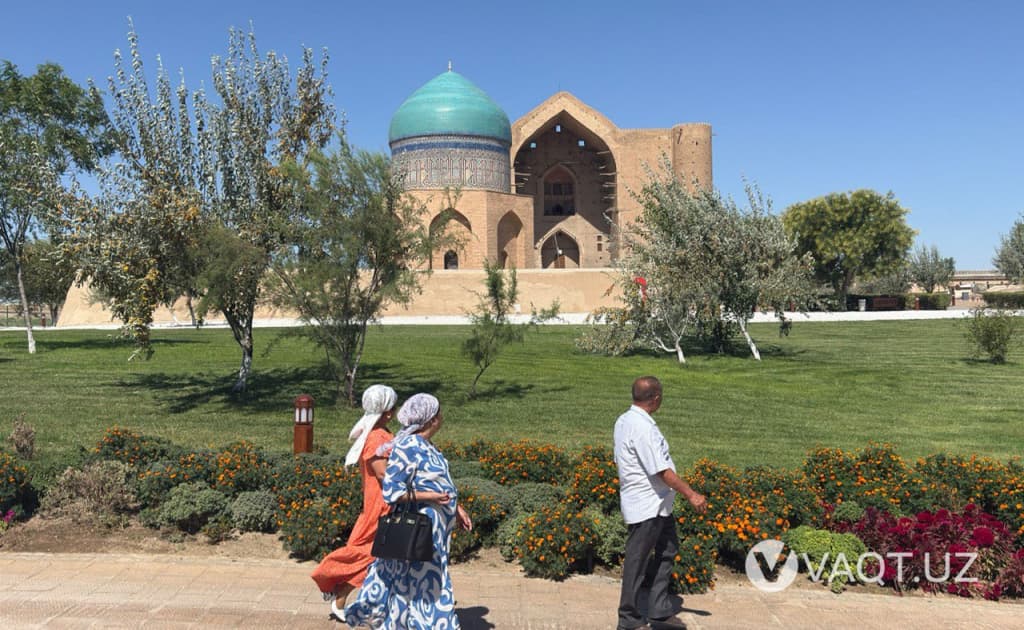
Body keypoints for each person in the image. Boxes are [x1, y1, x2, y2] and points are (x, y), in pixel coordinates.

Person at [344, 393, 472, 629]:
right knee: (428, 584)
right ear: (432, 419)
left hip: (433, 530)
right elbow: (392, 491)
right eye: (439, 412)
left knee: (419, 583)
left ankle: (408, 623)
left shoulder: (425, 444)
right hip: (418, 528)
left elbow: (437, 481)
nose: (441, 417)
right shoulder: (409, 446)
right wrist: (432, 498)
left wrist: (456, 508)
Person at [614, 376, 707, 630]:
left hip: (657, 504)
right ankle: (629, 620)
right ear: (655, 399)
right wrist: (692, 494)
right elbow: (661, 471)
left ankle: (659, 610)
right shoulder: (642, 427)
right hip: (647, 505)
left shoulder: (625, 420)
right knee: (638, 560)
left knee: (667, 549)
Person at [311, 384, 398, 619]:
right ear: (388, 411)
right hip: (383, 505)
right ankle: (336, 588)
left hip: (377, 503)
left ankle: (342, 595)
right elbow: (383, 473)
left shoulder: (376, 432)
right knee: (372, 554)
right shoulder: (377, 436)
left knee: (377, 554)